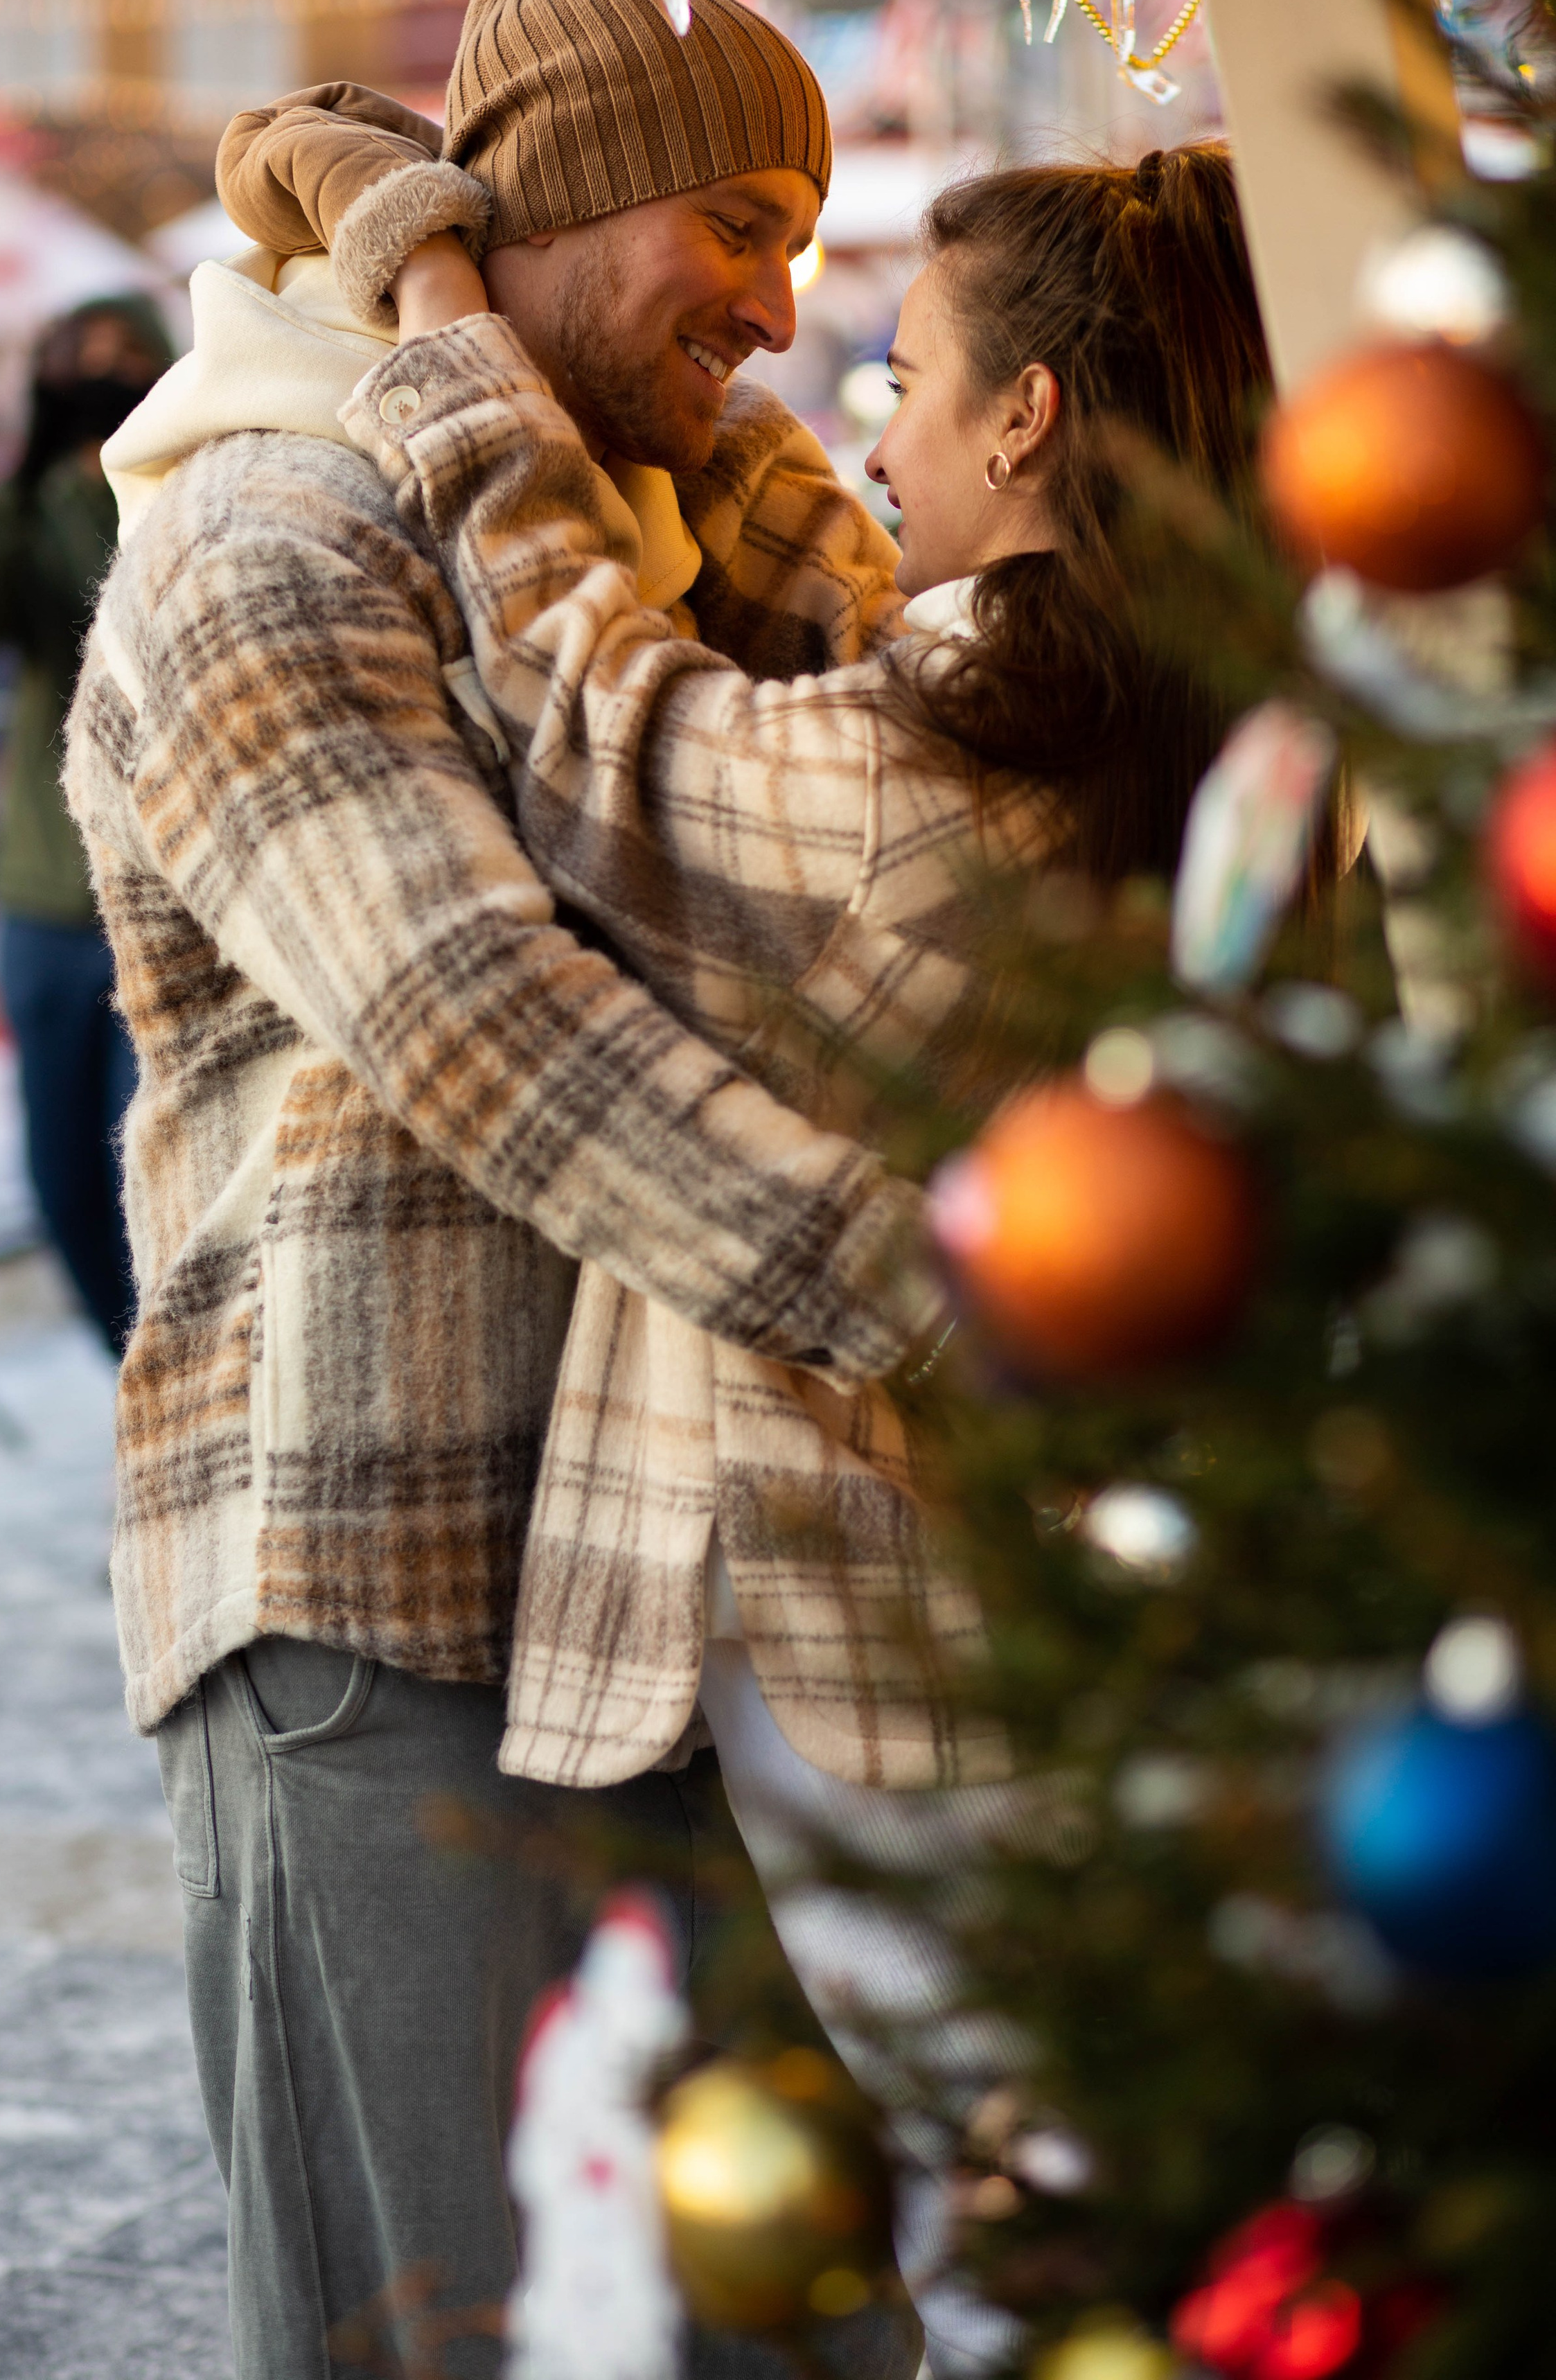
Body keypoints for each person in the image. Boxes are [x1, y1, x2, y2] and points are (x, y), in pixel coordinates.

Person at [64, 0, 944, 2380]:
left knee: (790, 2323)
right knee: (446, 2333)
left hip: (683, 1585)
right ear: (539, 208)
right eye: (739, 231)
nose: (784, 306)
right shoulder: (262, 538)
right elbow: (482, 1025)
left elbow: (862, 808)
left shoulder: (649, 531)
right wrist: (944, 1285)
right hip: (372, 1596)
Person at [337, 141, 1271, 2374]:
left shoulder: (952, 755)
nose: (868, 415)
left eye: (907, 368)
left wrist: (447, 316)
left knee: (1013, 2236)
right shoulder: (1153, 702)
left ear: (1028, 416)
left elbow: (603, 727)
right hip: (1041, 1555)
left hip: (882, 1589)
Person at [0, 295, 173, 1354]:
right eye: (76, 362)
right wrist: (21, 480)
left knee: (152, 1184)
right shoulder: (26, 507)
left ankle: (178, 1384)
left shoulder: (184, 485)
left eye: (122, 358)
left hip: (160, 900)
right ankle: (134, 1381)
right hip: (44, 900)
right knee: (62, 1180)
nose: (98, 376)